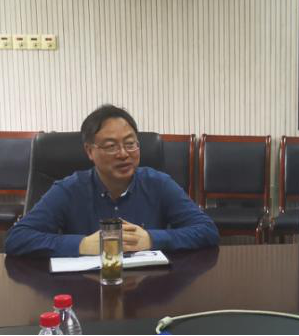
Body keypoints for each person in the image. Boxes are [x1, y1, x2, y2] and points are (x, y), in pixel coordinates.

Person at [5, 105, 219, 257]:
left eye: (130, 144)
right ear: (90, 151)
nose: (124, 154)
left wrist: (151, 239)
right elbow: (17, 238)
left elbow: (207, 230)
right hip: (86, 291)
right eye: (110, 146)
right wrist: (82, 244)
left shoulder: (159, 183)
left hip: (149, 290)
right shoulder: (69, 189)